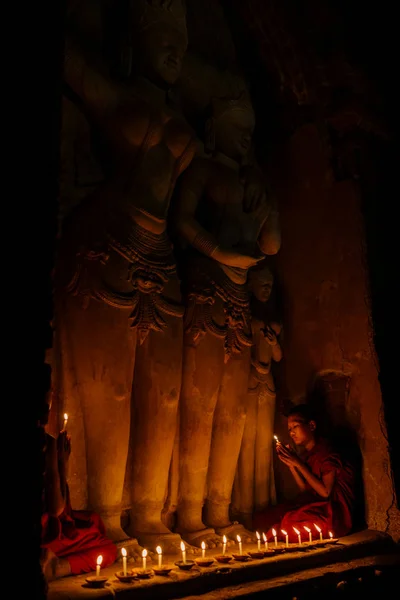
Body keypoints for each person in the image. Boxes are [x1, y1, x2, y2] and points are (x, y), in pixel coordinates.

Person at [40, 365, 117, 580]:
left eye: (49, 402)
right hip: (47, 532)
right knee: (106, 549)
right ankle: (58, 566)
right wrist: (56, 462)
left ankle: (58, 564)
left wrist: (60, 461)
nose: (46, 409)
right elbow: (55, 509)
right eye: (45, 402)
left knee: (99, 535)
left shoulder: (47, 440)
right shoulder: (44, 444)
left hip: (54, 528)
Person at [252, 404, 355, 542]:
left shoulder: (327, 452)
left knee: (289, 522)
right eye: (289, 429)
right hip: (315, 505)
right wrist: (292, 465)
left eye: (295, 426)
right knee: (263, 518)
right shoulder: (308, 455)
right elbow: (305, 490)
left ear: (311, 425)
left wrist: (298, 463)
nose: (291, 432)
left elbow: (325, 492)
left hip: (333, 514)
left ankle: (277, 531)